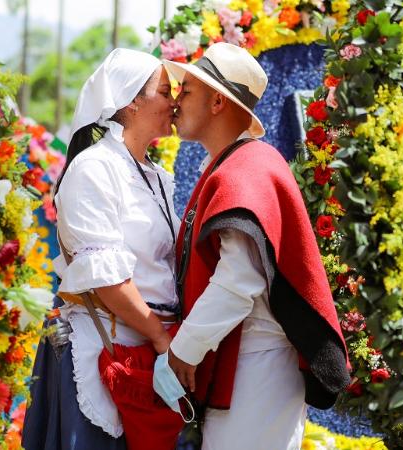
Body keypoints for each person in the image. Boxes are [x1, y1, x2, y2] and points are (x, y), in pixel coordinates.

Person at [160, 43, 351, 450]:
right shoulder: (239, 163)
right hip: (247, 365)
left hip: (257, 367)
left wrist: (182, 351)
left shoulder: (247, 168)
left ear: (217, 101)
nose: (176, 101)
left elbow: (238, 282)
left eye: (187, 90)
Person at [21, 48, 180, 450]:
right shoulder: (94, 168)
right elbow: (107, 280)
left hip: (145, 347)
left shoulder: (157, 177)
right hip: (105, 348)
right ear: (131, 102)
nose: (174, 102)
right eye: (165, 91)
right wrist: (161, 340)